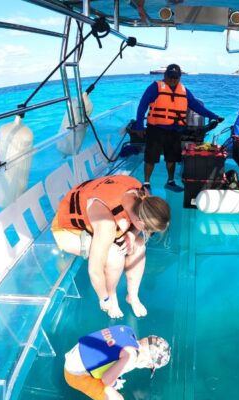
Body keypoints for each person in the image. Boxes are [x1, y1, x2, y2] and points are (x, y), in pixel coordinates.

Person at [52, 174, 170, 318]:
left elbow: (137, 227)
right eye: (149, 231)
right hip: (70, 230)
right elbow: (95, 270)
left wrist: (132, 234)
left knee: (139, 246)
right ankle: (112, 295)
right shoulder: (106, 222)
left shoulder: (143, 195)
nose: (148, 233)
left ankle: (132, 296)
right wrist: (104, 298)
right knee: (114, 255)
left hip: (98, 219)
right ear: (141, 222)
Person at [131, 64, 223, 192]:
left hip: (174, 131)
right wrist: (140, 125)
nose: (173, 79)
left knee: (172, 158)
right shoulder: (155, 87)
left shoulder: (184, 91)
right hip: (155, 129)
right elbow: (142, 105)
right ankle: (146, 183)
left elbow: (197, 107)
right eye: (170, 76)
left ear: (180, 77)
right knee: (150, 158)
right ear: (165, 75)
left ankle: (170, 181)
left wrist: (214, 116)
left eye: (176, 77)